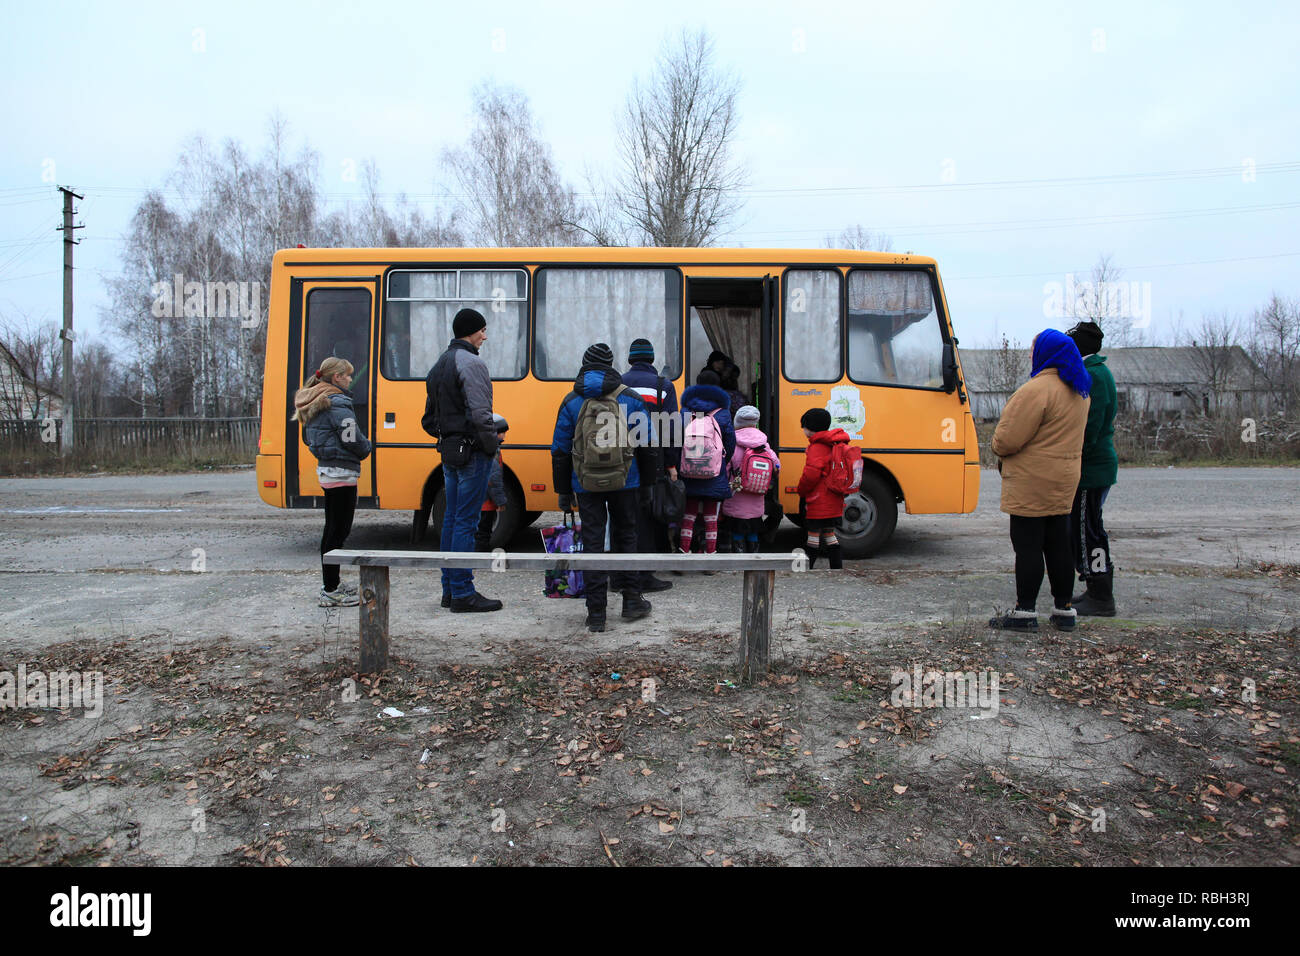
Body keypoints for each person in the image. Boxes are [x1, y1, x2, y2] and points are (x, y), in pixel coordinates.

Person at [552, 342, 661, 633]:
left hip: (585, 483)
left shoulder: (571, 401)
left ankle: (596, 612)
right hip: (627, 480)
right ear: (612, 365)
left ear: (584, 365)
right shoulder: (630, 398)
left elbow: (560, 450)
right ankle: (631, 601)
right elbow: (648, 445)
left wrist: (563, 491)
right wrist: (649, 485)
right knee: (627, 537)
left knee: (593, 542)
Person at [988, 329, 1091, 632]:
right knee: (1059, 544)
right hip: (1065, 479)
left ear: (1047, 352)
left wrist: (996, 445)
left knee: (1028, 546)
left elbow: (1006, 440)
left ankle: (1024, 613)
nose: (1031, 354)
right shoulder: (1080, 390)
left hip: (1033, 481)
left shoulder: (1036, 391)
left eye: (1034, 349)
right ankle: (1064, 610)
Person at [424, 308, 503, 613]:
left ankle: (449, 589)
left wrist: (449, 435)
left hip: (449, 451)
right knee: (467, 523)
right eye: (482, 330)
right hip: (472, 453)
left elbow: (428, 418)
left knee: (451, 520)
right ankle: (462, 592)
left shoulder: (439, 364)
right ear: (470, 331)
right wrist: (490, 446)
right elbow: (482, 415)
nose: (485, 335)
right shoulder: (472, 363)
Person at [293, 356, 372, 607]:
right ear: (337, 377)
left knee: (333, 529)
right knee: (338, 531)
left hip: (329, 470)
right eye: (347, 375)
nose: (350, 379)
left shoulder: (318, 398)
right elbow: (351, 438)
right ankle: (330, 590)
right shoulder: (338, 404)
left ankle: (333, 584)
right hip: (341, 472)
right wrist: (367, 447)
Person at [1067, 321, 1119, 617]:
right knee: (1089, 528)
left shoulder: (1094, 375)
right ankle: (1095, 589)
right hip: (1093, 466)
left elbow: (1091, 427)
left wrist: (1072, 455)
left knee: (1090, 531)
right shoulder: (1096, 371)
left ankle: (1101, 594)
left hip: (1092, 468)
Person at [622, 337, 678, 593]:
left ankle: (620, 575)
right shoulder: (662, 386)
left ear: (631, 359)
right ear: (652, 359)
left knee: (623, 517)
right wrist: (671, 463)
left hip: (622, 459)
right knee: (648, 517)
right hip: (652, 460)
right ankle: (645, 575)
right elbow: (671, 427)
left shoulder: (619, 383)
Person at [678, 370, 736, 556]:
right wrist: (721, 459)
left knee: (689, 514)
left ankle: (684, 552)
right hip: (713, 470)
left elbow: (677, 437)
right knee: (711, 516)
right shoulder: (723, 412)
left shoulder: (686, 410)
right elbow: (730, 441)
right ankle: (710, 555)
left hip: (688, 468)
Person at [795, 407, 850, 568]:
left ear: (809, 428)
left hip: (818, 499)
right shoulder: (834, 443)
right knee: (829, 533)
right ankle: (836, 566)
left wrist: (801, 490)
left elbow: (811, 474)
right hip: (834, 498)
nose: (803, 430)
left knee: (813, 535)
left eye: (804, 427)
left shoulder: (817, 447)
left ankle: (807, 566)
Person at [722, 405, 779, 553]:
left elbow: (725, 468)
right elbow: (777, 465)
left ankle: (739, 558)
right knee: (753, 530)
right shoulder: (764, 445)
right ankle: (754, 556)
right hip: (757, 494)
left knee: (737, 530)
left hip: (736, 494)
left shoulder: (732, 444)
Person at [475, 414, 510, 552]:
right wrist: (501, 502)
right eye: (502, 433)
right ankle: (480, 557)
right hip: (486, 503)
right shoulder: (492, 452)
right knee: (484, 533)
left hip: (478, 500)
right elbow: (494, 481)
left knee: (476, 531)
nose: (504, 436)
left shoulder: (481, 447)